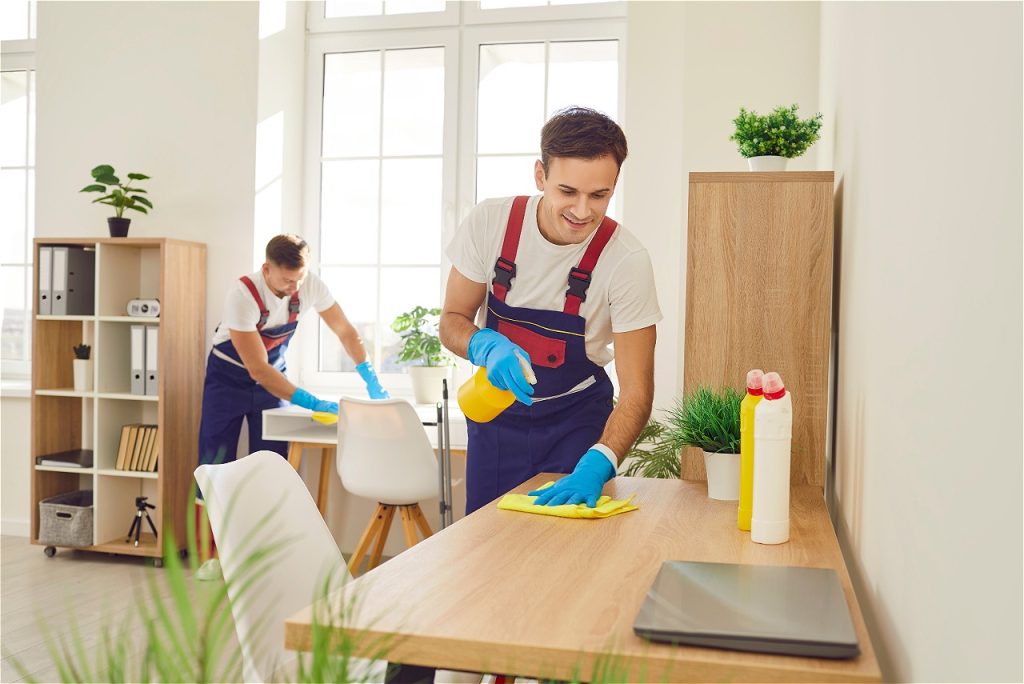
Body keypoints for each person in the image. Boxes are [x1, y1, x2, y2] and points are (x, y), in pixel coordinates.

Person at [441, 106, 661, 515]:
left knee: (568, 555)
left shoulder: (626, 260)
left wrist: (600, 462)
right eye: (567, 191)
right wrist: (483, 344)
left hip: (577, 425)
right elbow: (452, 321)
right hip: (496, 418)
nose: (582, 211)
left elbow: (637, 391)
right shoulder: (491, 222)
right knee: (485, 549)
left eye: (599, 195)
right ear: (540, 175)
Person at [194, 234, 388, 578]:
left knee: (271, 465)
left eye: (298, 279)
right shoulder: (242, 295)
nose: (292, 287)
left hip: (272, 379)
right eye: (285, 280)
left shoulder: (309, 285)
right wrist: (310, 401)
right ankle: (212, 556)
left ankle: (266, 555)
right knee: (214, 462)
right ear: (267, 269)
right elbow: (257, 370)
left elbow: (345, 331)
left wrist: (370, 377)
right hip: (229, 379)